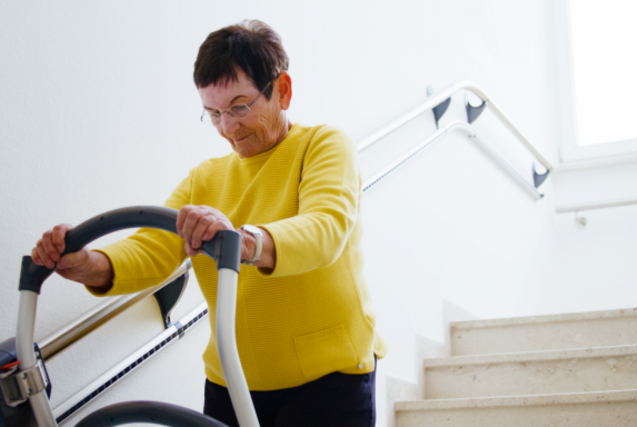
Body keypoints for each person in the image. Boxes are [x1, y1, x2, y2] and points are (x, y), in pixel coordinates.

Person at [31, 20, 386, 427]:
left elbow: (325, 228)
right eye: (214, 114)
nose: (228, 128)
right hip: (232, 382)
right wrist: (90, 264)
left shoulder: (322, 145)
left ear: (282, 90)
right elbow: (152, 249)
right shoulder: (205, 178)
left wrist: (245, 241)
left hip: (329, 381)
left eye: (239, 106)